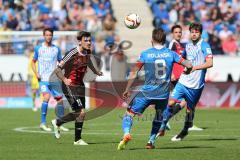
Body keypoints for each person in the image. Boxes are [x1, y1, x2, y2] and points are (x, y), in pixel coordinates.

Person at [117, 28, 193, 150]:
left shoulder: (146, 54)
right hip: (163, 94)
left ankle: (126, 134)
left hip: (147, 92)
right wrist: (187, 71)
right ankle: (150, 142)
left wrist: (127, 89)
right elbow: (189, 64)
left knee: (129, 113)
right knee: (158, 116)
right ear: (164, 40)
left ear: (152, 40)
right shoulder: (171, 54)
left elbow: (134, 72)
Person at [158, 23, 213, 141]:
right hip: (183, 81)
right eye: (192, 32)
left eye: (196, 32)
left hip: (196, 85)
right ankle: (162, 126)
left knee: (189, 110)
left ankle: (184, 131)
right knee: (172, 102)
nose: (194, 34)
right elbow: (179, 59)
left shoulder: (204, 45)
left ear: (200, 33)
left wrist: (194, 68)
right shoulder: (187, 46)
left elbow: (210, 63)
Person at [51, 31, 103, 145]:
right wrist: (65, 79)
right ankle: (77, 139)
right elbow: (57, 69)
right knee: (81, 112)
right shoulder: (72, 53)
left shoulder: (88, 53)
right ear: (80, 42)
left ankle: (59, 123)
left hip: (80, 85)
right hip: (70, 85)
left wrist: (96, 72)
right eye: (86, 40)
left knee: (79, 113)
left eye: (90, 40)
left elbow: (88, 62)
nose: (89, 43)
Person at [31, 28, 69, 132]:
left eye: (50, 35)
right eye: (47, 35)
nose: (48, 37)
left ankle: (59, 123)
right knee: (46, 97)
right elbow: (33, 62)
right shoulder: (38, 48)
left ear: (52, 36)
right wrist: (36, 73)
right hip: (43, 79)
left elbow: (60, 62)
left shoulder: (56, 49)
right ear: (44, 36)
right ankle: (43, 123)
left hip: (54, 80)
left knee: (60, 100)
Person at [168, 24, 203, 131]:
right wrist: (171, 74)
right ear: (172, 34)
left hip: (182, 76)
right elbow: (168, 60)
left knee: (186, 101)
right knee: (183, 101)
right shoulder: (172, 44)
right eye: (176, 32)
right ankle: (165, 119)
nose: (178, 34)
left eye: (179, 32)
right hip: (176, 77)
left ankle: (188, 123)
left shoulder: (180, 44)